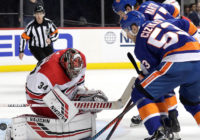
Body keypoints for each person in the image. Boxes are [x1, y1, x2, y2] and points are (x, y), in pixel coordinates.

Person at [120, 10, 200, 140]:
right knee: (192, 102)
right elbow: (185, 23)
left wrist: (141, 80)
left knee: (139, 92)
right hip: (198, 58)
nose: (127, 36)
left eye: (126, 31)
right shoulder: (160, 22)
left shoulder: (140, 45)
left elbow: (153, 76)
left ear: (134, 27)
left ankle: (158, 133)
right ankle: (166, 127)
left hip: (177, 62)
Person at [26, 48, 108, 118]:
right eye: (71, 72)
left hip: (63, 91)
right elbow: (33, 93)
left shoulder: (81, 59)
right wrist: (62, 105)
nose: (74, 76)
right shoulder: (46, 73)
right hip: (39, 101)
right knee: (70, 113)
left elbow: (79, 83)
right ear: (64, 63)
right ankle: (75, 110)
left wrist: (83, 95)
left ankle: (77, 107)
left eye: (76, 73)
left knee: (95, 97)